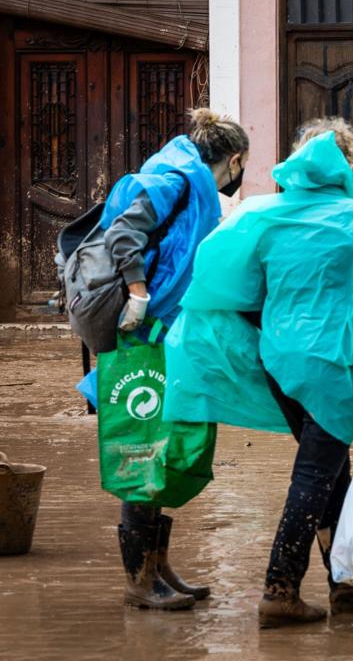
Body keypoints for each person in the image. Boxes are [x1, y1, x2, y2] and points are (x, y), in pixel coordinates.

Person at [163, 117, 353, 628]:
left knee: (332, 474)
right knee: (315, 475)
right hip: (335, 368)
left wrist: (274, 330)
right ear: (346, 166)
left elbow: (222, 286)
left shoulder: (261, 217)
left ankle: (346, 586)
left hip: (281, 362)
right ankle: (280, 587)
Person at [95, 108, 250, 611]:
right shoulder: (177, 179)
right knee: (143, 444)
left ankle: (158, 568)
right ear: (236, 159)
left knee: (161, 442)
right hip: (145, 333)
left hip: (164, 334)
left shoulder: (181, 174)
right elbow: (122, 234)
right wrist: (138, 293)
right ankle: (140, 580)